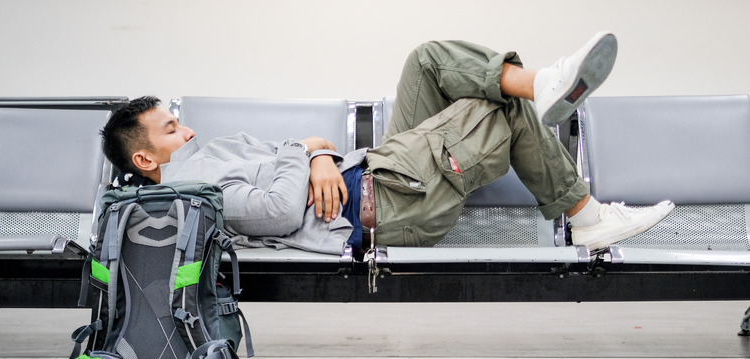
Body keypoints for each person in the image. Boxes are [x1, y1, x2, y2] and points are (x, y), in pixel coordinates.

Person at [101, 32, 674, 255]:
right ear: (145, 158)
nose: (189, 129)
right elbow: (276, 210)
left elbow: (308, 147)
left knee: (426, 60)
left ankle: (544, 82)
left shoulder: (210, 157)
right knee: (500, 106)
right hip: (387, 200)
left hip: (376, 172)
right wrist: (308, 157)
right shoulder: (188, 188)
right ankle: (586, 213)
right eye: (172, 129)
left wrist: (316, 156)